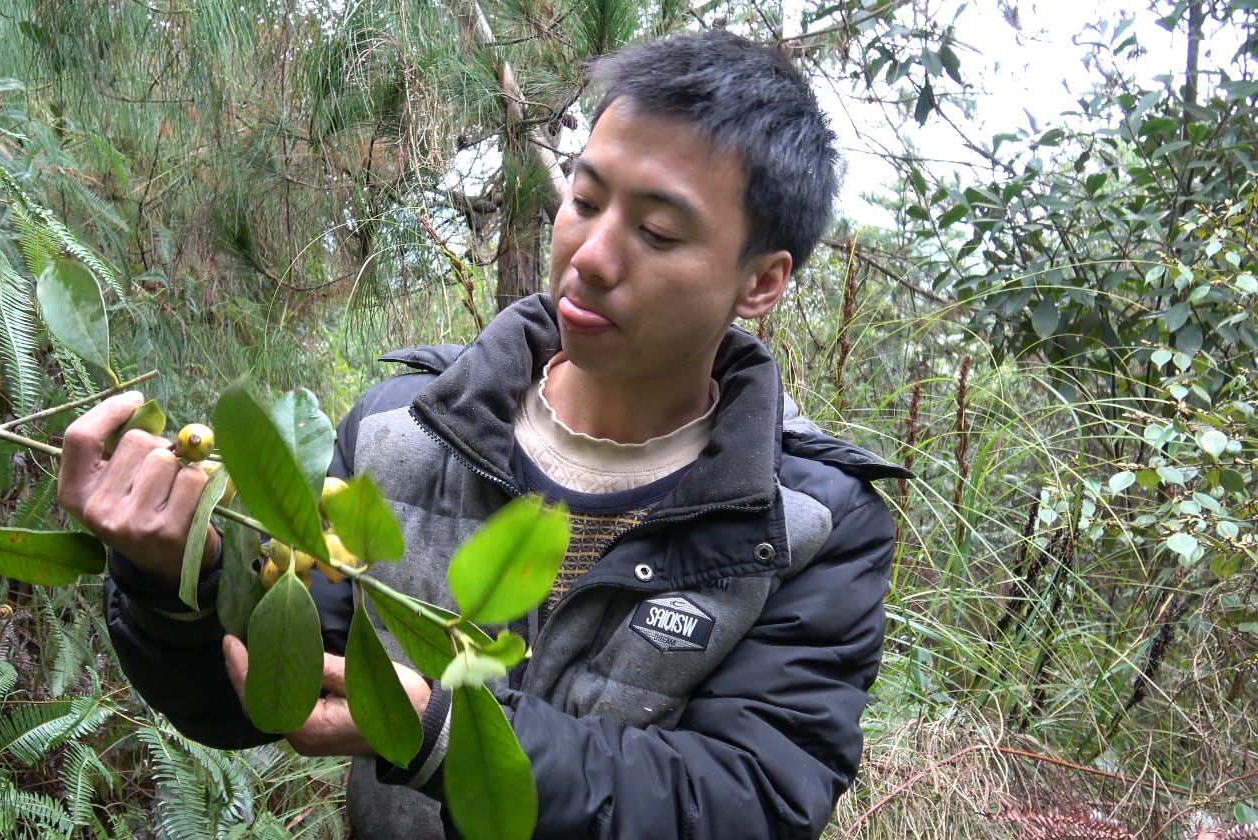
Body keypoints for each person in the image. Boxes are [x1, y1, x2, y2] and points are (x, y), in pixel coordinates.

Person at [59, 29, 909, 839]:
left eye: (656, 232)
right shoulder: (406, 431)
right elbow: (264, 696)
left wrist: (447, 733)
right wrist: (181, 585)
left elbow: (747, 802)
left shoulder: (806, 525)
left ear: (760, 283)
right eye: (582, 198)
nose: (590, 255)